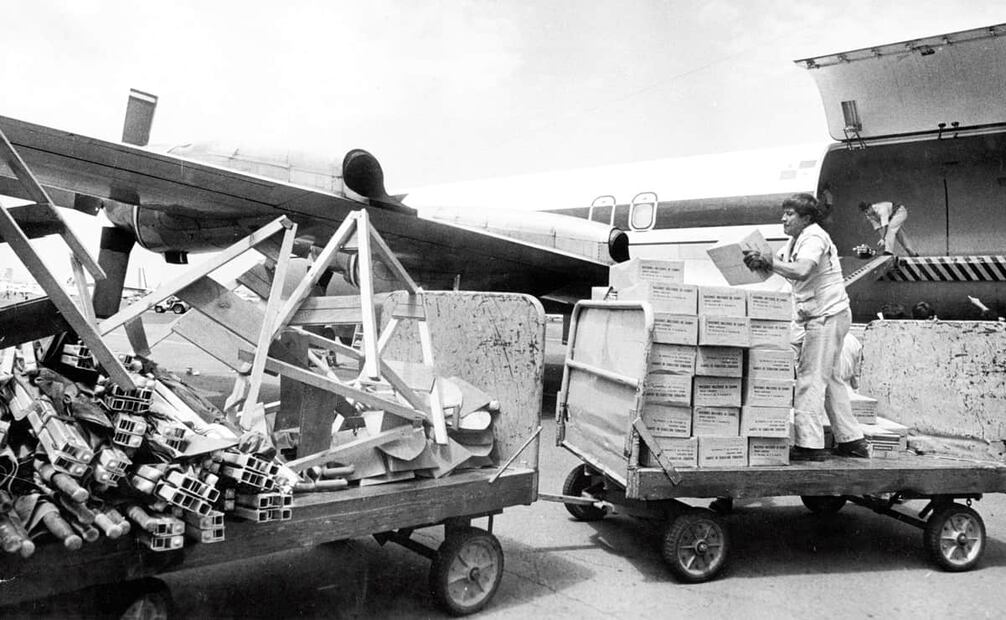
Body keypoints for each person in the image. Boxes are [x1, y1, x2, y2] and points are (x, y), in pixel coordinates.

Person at [743, 193, 869, 459]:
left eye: (790, 214)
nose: (783, 218)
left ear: (806, 218)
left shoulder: (814, 237)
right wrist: (758, 261)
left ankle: (809, 445)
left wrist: (769, 262)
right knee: (830, 379)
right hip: (819, 316)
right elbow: (778, 266)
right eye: (784, 213)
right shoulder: (794, 241)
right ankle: (852, 440)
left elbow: (802, 271)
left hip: (826, 316)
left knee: (810, 379)